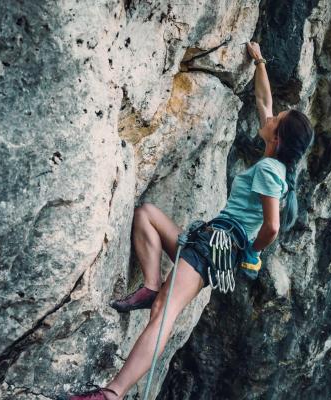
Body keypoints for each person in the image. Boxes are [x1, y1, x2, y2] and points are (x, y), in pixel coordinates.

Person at [67, 41, 314, 400]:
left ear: (277, 138)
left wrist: (251, 252)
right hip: (211, 241)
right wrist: (259, 61)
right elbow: (264, 103)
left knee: (163, 316)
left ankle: (112, 394)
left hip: (218, 245)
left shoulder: (267, 170)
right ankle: (150, 283)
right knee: (147, 216)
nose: (271, 117)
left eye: (276, 122)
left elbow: (272, 226)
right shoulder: (275, 161)